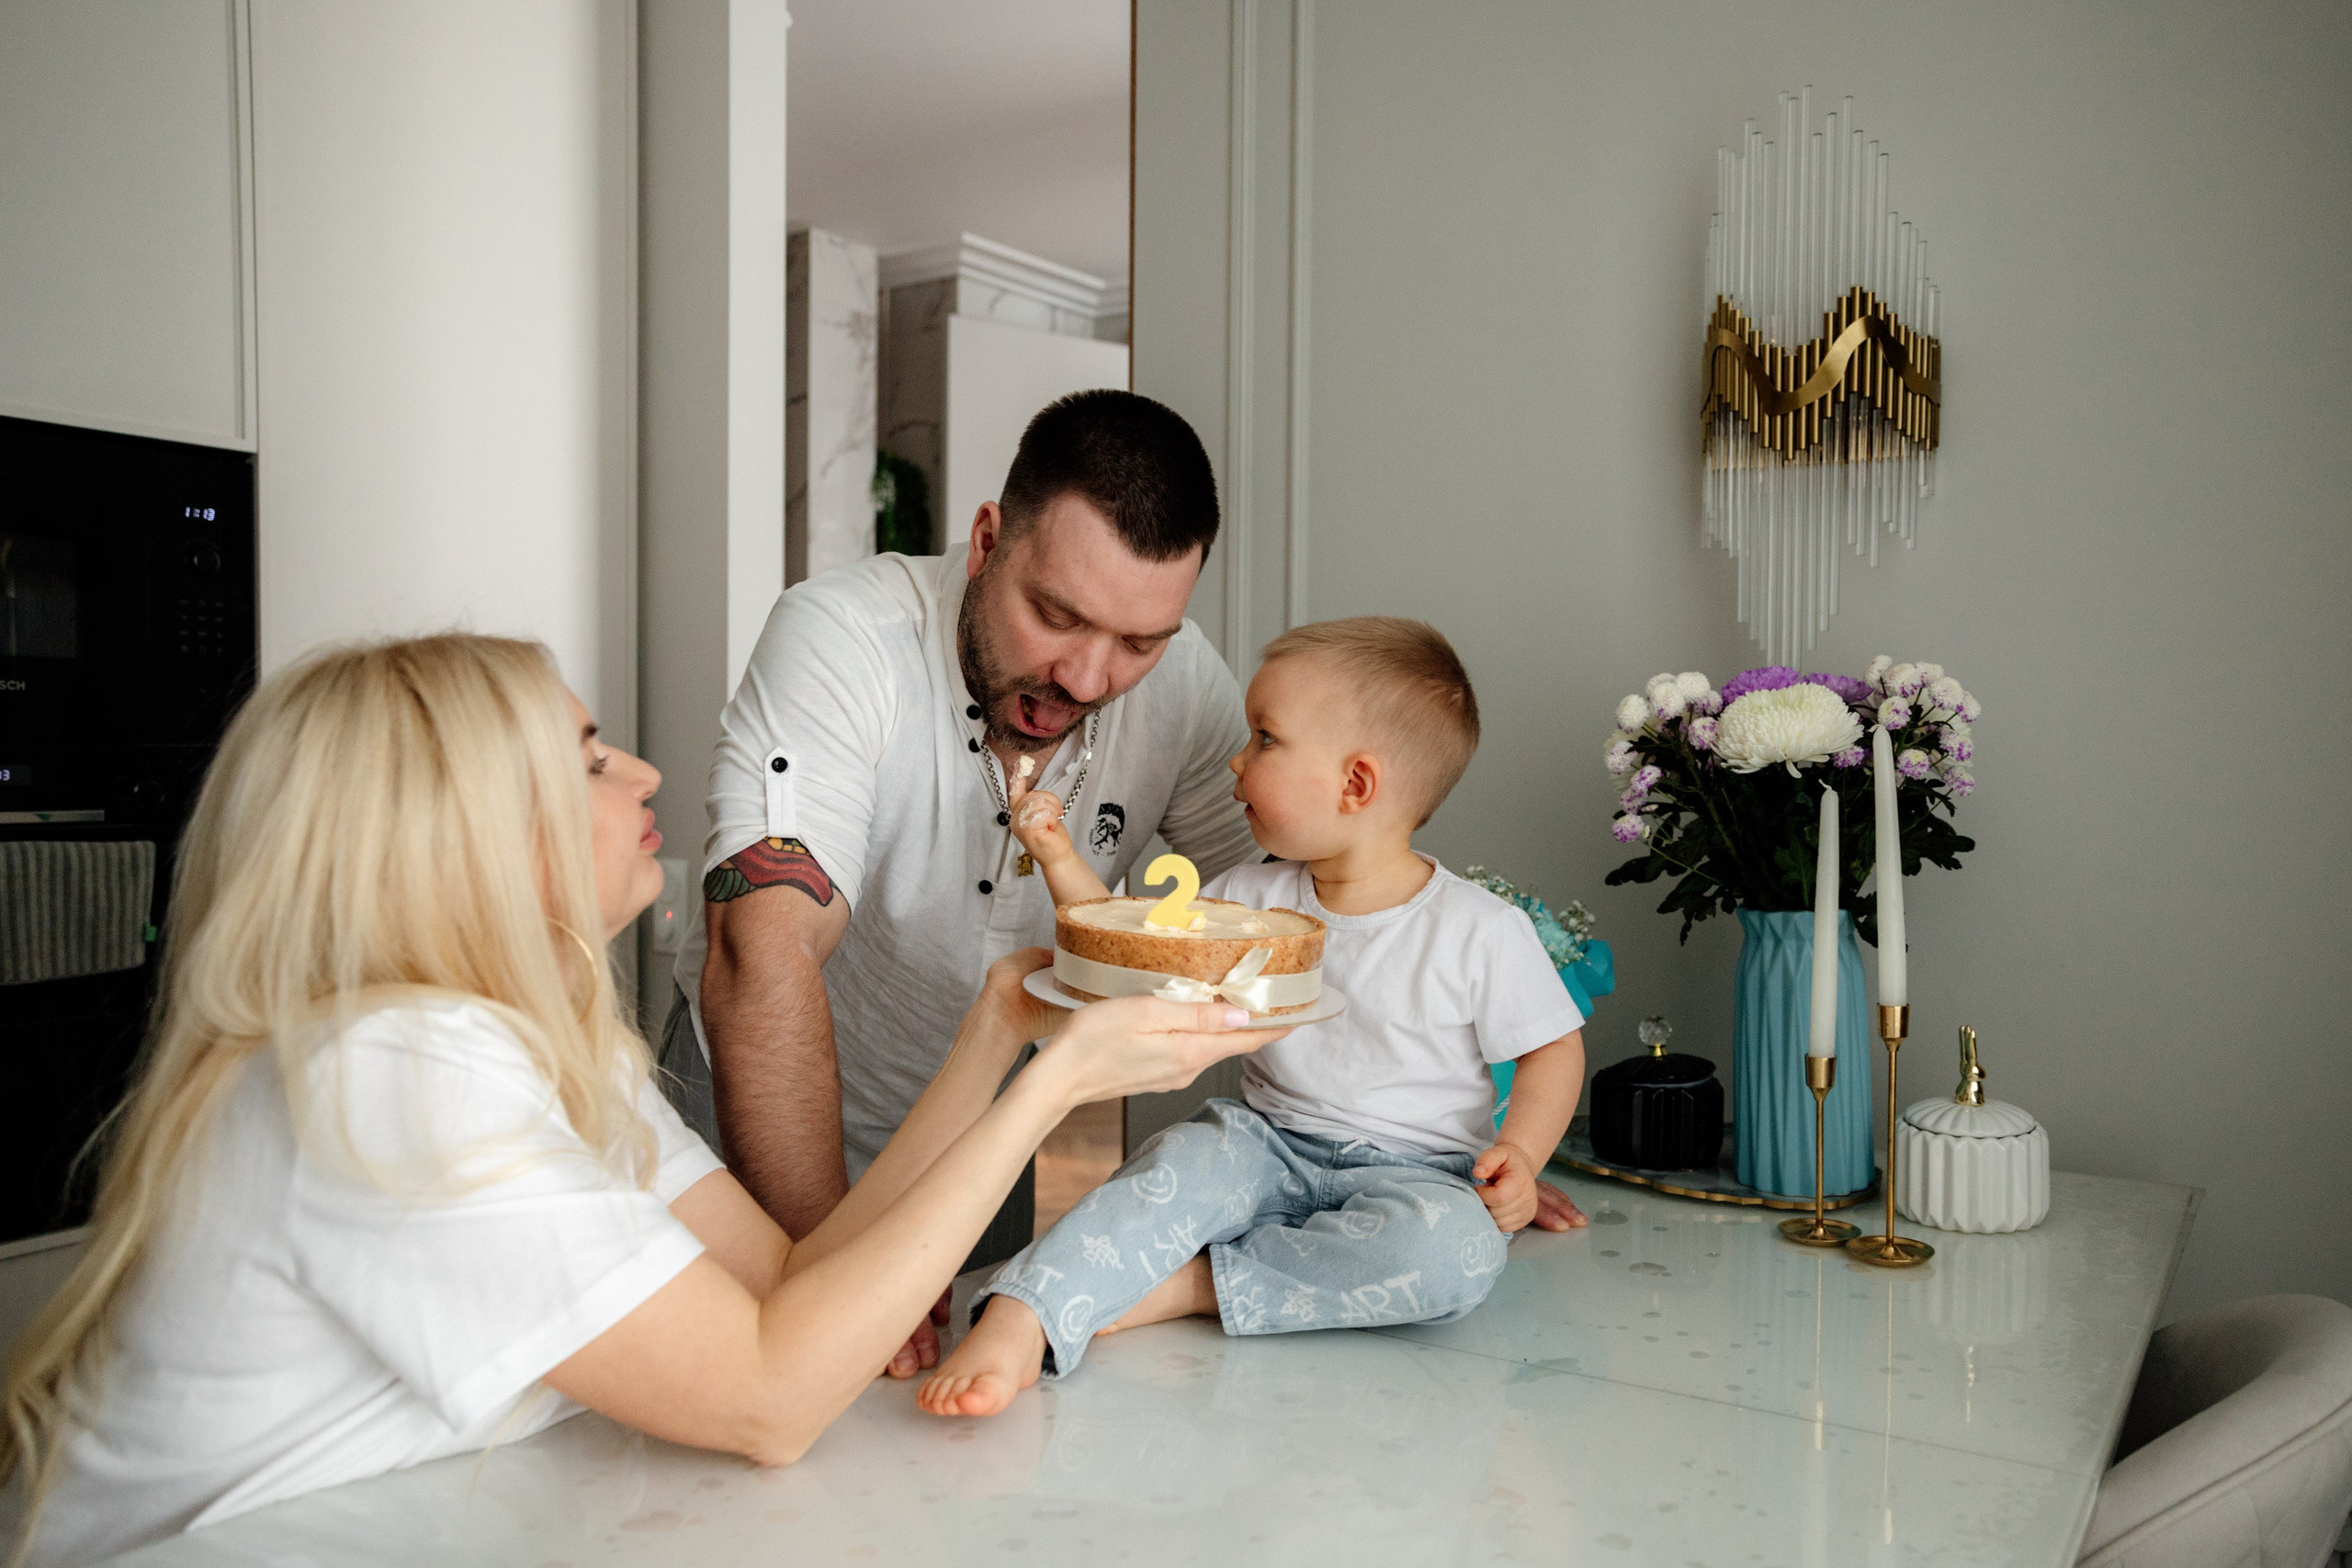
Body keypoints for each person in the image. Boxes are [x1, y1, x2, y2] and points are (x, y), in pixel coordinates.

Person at [0, 636, 1273, 1568]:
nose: (646, 770)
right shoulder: (386, 1070)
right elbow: (770, 1397)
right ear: (468, 834)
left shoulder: (540, 1049)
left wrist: (1002, 1027)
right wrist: (1061, 1085)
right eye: (590, 759)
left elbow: (795, 1280)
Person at [920, 617, 1588, 1416]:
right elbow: (1131, 953)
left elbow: (1552, 1049)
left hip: (1421, 1173)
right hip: (1262, 1143)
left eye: (1265, 738)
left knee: (1458, 1252)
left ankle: (1196, 1284)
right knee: (1168, 1172)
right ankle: (1022, 1316)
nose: (1237, 760)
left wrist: (1521, 1154)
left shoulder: (1481, 929)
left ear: (1356, 784)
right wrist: (1059, 855)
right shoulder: (1247, 898)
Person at [669, 390, 1261, 1280]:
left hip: (976, 1134)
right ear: (987, 541)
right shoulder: (846, 637)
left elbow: (1272, 910)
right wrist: (831, 1280)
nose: (1087, 678)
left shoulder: (1187, 686)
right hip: (750, 1117)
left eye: (1138, 643)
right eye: (1057, 616)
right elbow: (762, 955)